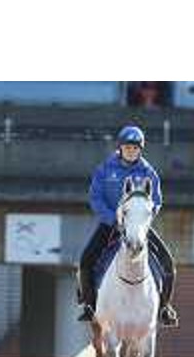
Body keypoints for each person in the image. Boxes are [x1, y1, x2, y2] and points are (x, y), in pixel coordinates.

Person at [77, 125, 179, 327]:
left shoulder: (149, 172)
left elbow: (156, 201)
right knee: (85, 261)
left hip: (138, 228)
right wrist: (112, 218)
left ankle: (164, 308)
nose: (131, 151)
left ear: (141, 149)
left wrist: (142, 220)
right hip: (110, 225)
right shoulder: (105, 169)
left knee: (168, 264)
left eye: (135, 148)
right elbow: (95, 198)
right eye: (127, 147)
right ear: (120, 148)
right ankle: (89, 306)